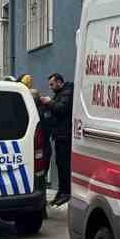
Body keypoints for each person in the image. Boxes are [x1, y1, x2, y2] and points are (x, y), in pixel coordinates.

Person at [42, 72, 74, 208]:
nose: (50, 87)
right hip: (60, 135)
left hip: (65, 136)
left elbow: (61, 109)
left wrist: (49, 102)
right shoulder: (61, 93)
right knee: (60, 164)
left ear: (59, 82)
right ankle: (61, 192)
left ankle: (65, 192)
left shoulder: (67, 92)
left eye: (52, 84)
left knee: (64, 165)